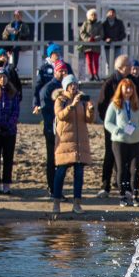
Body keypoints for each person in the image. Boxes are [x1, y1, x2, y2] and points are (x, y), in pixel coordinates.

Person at [52, 74, 94, 213]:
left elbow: (89, 120)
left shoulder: (81, 100)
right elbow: (60, 115)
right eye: (70, 85)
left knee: (79, 173)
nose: (73, 87)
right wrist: (72, 105)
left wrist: (90, 109)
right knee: (61, 172)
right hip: (64, 142)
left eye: (75, 84)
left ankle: (77, 203)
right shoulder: (60, 100)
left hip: (79, 142)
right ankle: (56, 202)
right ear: (65, 87)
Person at [104, 78, 139, 207]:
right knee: (121, 168)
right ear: (121, 89)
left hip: (135, 141)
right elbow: (108, 122)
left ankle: (135, 195)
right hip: (120, 141)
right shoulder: (115, 104)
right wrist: (116, 130)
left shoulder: (137, 104)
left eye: (130, 88)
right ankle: (122, 195)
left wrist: (138, 130)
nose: (128, 90)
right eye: (126, 88)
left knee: (135, 169)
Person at [96, 54, 132, 198]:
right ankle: (105, 186)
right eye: (128, 65)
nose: (130, 67)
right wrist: (110, 122)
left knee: (126, 155)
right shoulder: (110, 82)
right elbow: (102, 104)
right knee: (110, 154)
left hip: (128, 126)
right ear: (120, 67)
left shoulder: (131, 81)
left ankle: (123, 185)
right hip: (112, 127)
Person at [0, 68, 21, 196]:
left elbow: (16, 111)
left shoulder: (13, 93)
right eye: (0, 77)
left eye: (4, 77)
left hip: (9, 131)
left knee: (8, 158)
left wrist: (8, 124)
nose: (2, 79)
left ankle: (6, 184)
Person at [38, 61, 67, 197]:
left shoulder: (67, 86)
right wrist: (52, 126)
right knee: (52, 159)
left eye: (64, 71)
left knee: (62, 160)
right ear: (55, 71)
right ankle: (52, 188)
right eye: (60, 71)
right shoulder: (48, 88)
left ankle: (58, 188)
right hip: (52, 128)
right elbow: (46, 110)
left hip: (65, 129)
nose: (63, 73)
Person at [34, 44, 70, 115]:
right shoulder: (43, 68)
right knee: (48, 124)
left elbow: (72, 81)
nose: (58, 54)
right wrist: (36, 103)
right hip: (47, 101)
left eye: (59, 52)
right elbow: (38, 87)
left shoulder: (66, 66)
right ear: (50, 54)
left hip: (63, 100)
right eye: (55, 52)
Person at [78, 9, 104, 81]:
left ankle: (96, 74)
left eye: (95, 15)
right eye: (92, 15)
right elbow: (82, 33)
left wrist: (95, 39)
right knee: (89, 61)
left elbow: (102, 34)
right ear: (89, 16)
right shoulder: (85, 24)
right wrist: (88, 39)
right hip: (87, 46)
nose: (93, 16)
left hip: (96, 46)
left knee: (96, 60)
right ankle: (91, 74)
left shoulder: (99, 24)